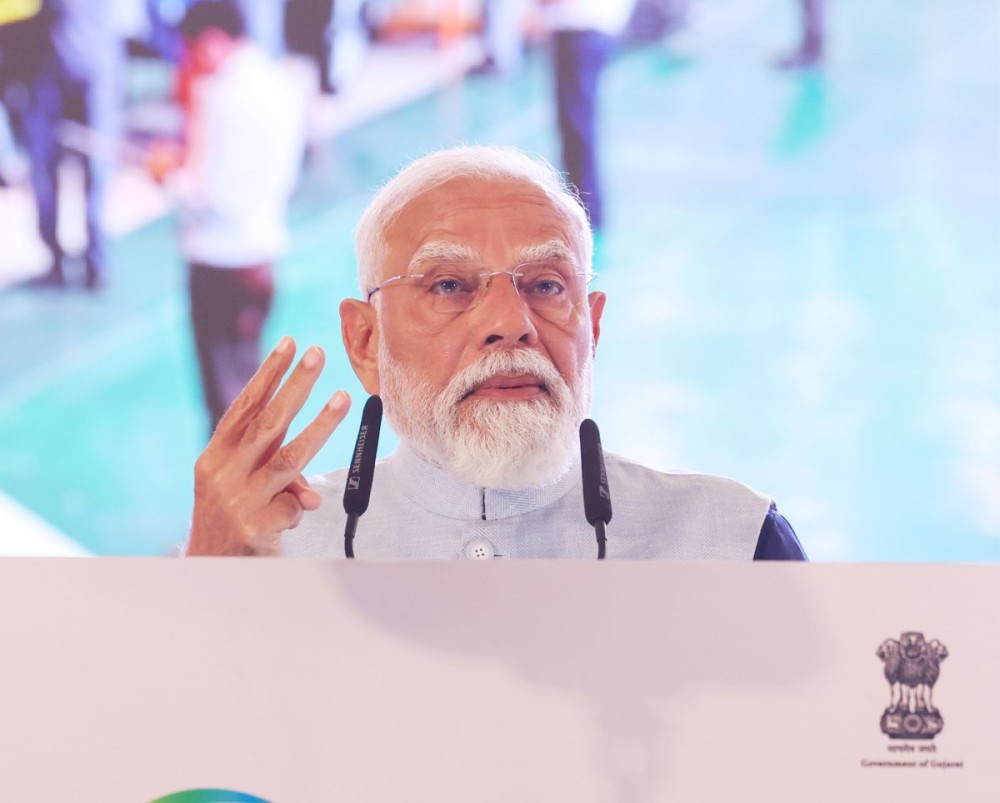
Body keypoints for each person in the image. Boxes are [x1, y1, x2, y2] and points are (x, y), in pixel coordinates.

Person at [186, 144, 806, 561]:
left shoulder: (735, 544)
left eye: (545, 285)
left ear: (591, 329)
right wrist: (208, 584)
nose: (511, 323)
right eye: (450, 286)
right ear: (366, 341)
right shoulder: (265, 550)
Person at [156, 0, 306, 435]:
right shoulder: (282, 82)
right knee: (249, 390)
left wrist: (169, 176)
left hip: (218, 260)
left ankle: (235, 499)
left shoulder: (218, 95)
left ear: (212, 40)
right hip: (261, 256)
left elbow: (216, 195)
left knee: (224, 407)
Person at [542, 0, 636, 231]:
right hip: (583, 30)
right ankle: (583, 205)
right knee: (573, 124)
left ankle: (586, 209)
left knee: (577, 124)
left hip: (582, 31)